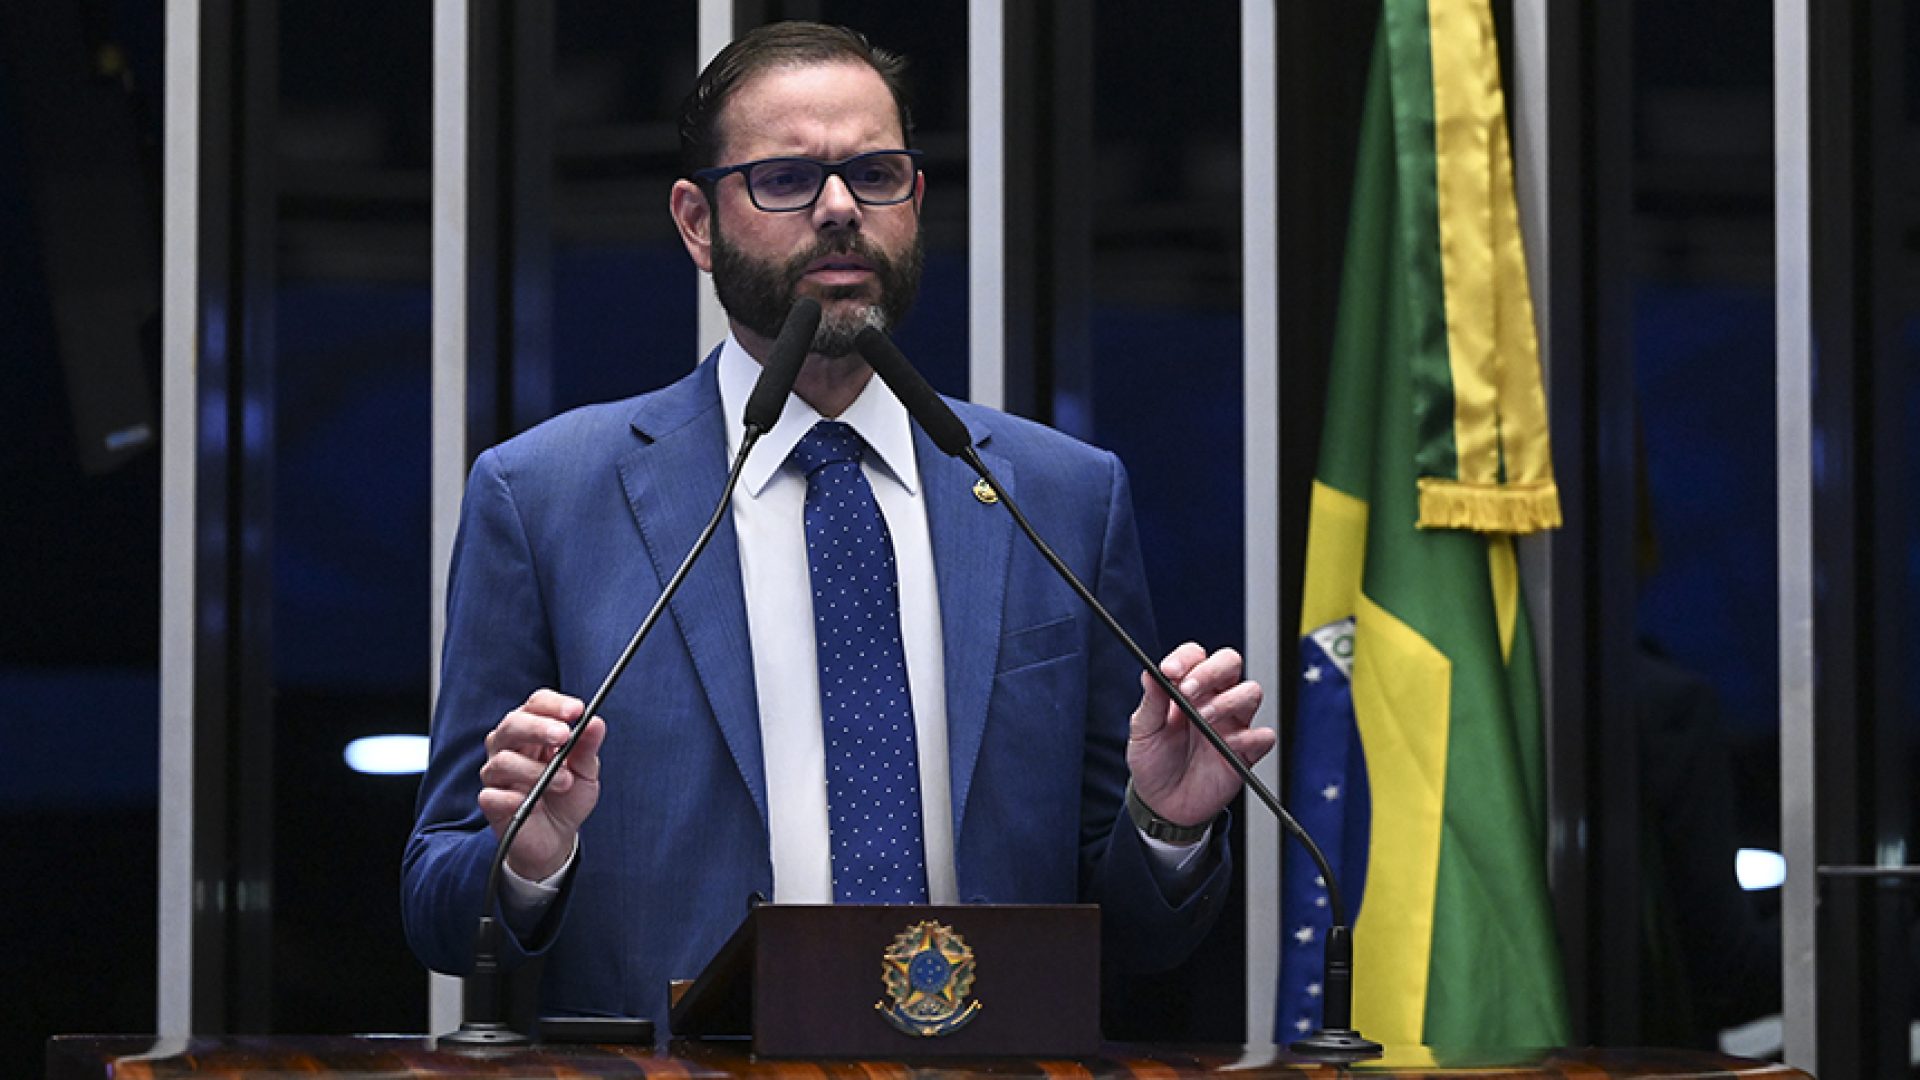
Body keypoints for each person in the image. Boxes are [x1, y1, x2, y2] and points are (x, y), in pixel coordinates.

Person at [403, 20, 1274, 1029]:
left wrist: (1164, 823)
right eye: (784, 179)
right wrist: (531, 859)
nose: (838, 209)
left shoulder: (1062, 497)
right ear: (697, 222)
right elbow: (437, 910)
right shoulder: (547, 497)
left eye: (876, 173)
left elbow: (1136, 934)